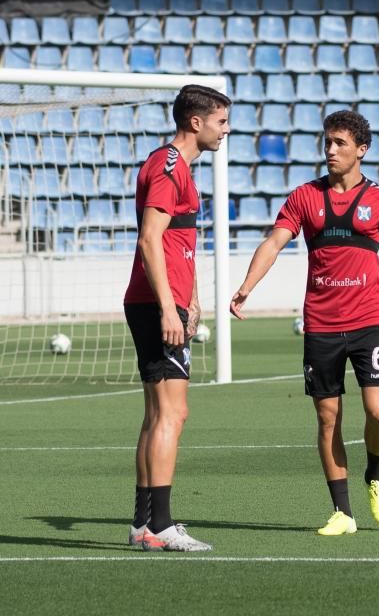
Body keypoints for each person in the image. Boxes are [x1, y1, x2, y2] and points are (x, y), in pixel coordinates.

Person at [230, 110, 379, 536]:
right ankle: (342, 512)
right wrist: (249, 284)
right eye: (327, 142)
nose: (330, 150)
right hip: (321, 326)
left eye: (340, 143)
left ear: (362, 150)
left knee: (378, 413)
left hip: (369, 322)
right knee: (328, 420)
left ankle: (374, 476)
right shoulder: (304, 197)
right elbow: (274, 241)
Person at [124, 84, 231, 552]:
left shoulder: (172, 165)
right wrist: (170, 306)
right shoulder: (170, 168)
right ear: (196, 122)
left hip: (159, 300)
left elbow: (175, 245)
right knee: (173, 412)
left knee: (156, 414)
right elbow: (150, 239)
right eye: (221, 122)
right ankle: (162, 526)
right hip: (155, 303)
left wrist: (191, 298)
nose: (225, 131)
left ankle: (143, 525)